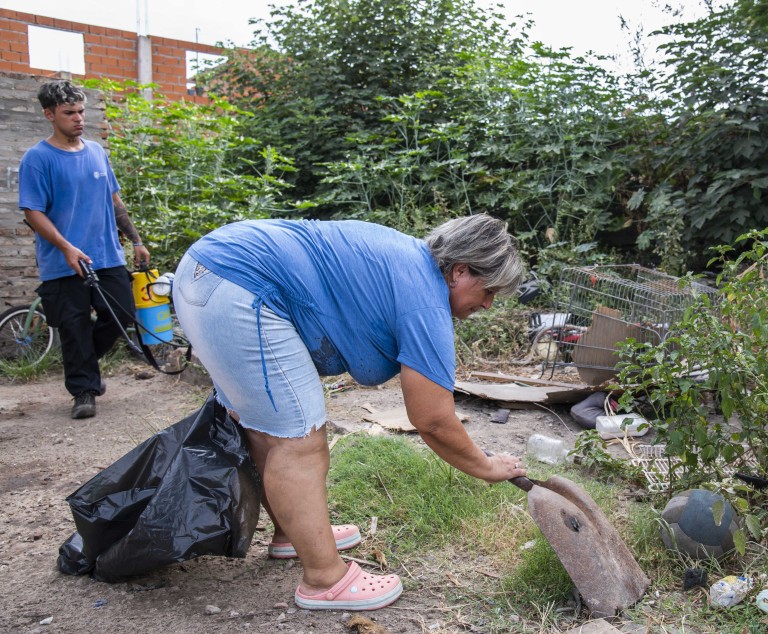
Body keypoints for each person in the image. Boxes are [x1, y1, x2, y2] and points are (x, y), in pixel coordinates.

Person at [172, 214, 527, 611]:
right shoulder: (424, 296)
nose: (489, 303)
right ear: (459, 271)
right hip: (238, 286)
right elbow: (432, 419)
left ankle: (294, 534)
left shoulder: (407, 263)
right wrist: (487, 466)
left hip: (206, 272)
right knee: (299, 441)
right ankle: (325, 579)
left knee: (266, 429)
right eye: (489, 289)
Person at [18, 80, 150, 420]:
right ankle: (84, 391)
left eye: (81, 111)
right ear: (49, 115)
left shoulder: (96, 152)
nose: (78, 119)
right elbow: (32, 212)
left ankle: (84, 367)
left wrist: (135, 240)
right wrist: (66, 247)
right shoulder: (38, 158)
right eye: (69, 113)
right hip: (63, 260)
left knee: (122, 313)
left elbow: (113, 200)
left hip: (105, 254)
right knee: (74, 326)